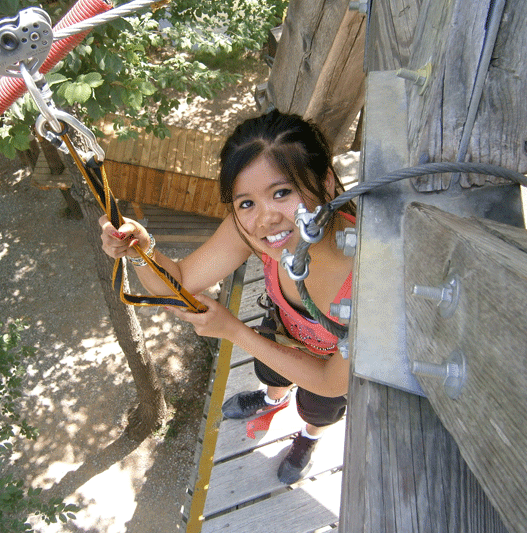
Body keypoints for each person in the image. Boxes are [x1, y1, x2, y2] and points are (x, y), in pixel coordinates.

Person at [98, 110, 353, 484]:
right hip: (282, 335)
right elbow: (180, 281)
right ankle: (273, 400)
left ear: (326, 182)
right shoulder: (251, 234)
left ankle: (308, 438)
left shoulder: (366, 274)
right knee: (271, 373)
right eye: (246, 203)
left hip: (329, 367)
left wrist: (235, 331)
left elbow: (333, 383)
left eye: (282, 193)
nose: (265, 219)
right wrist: (140, 250)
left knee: (318, 408)